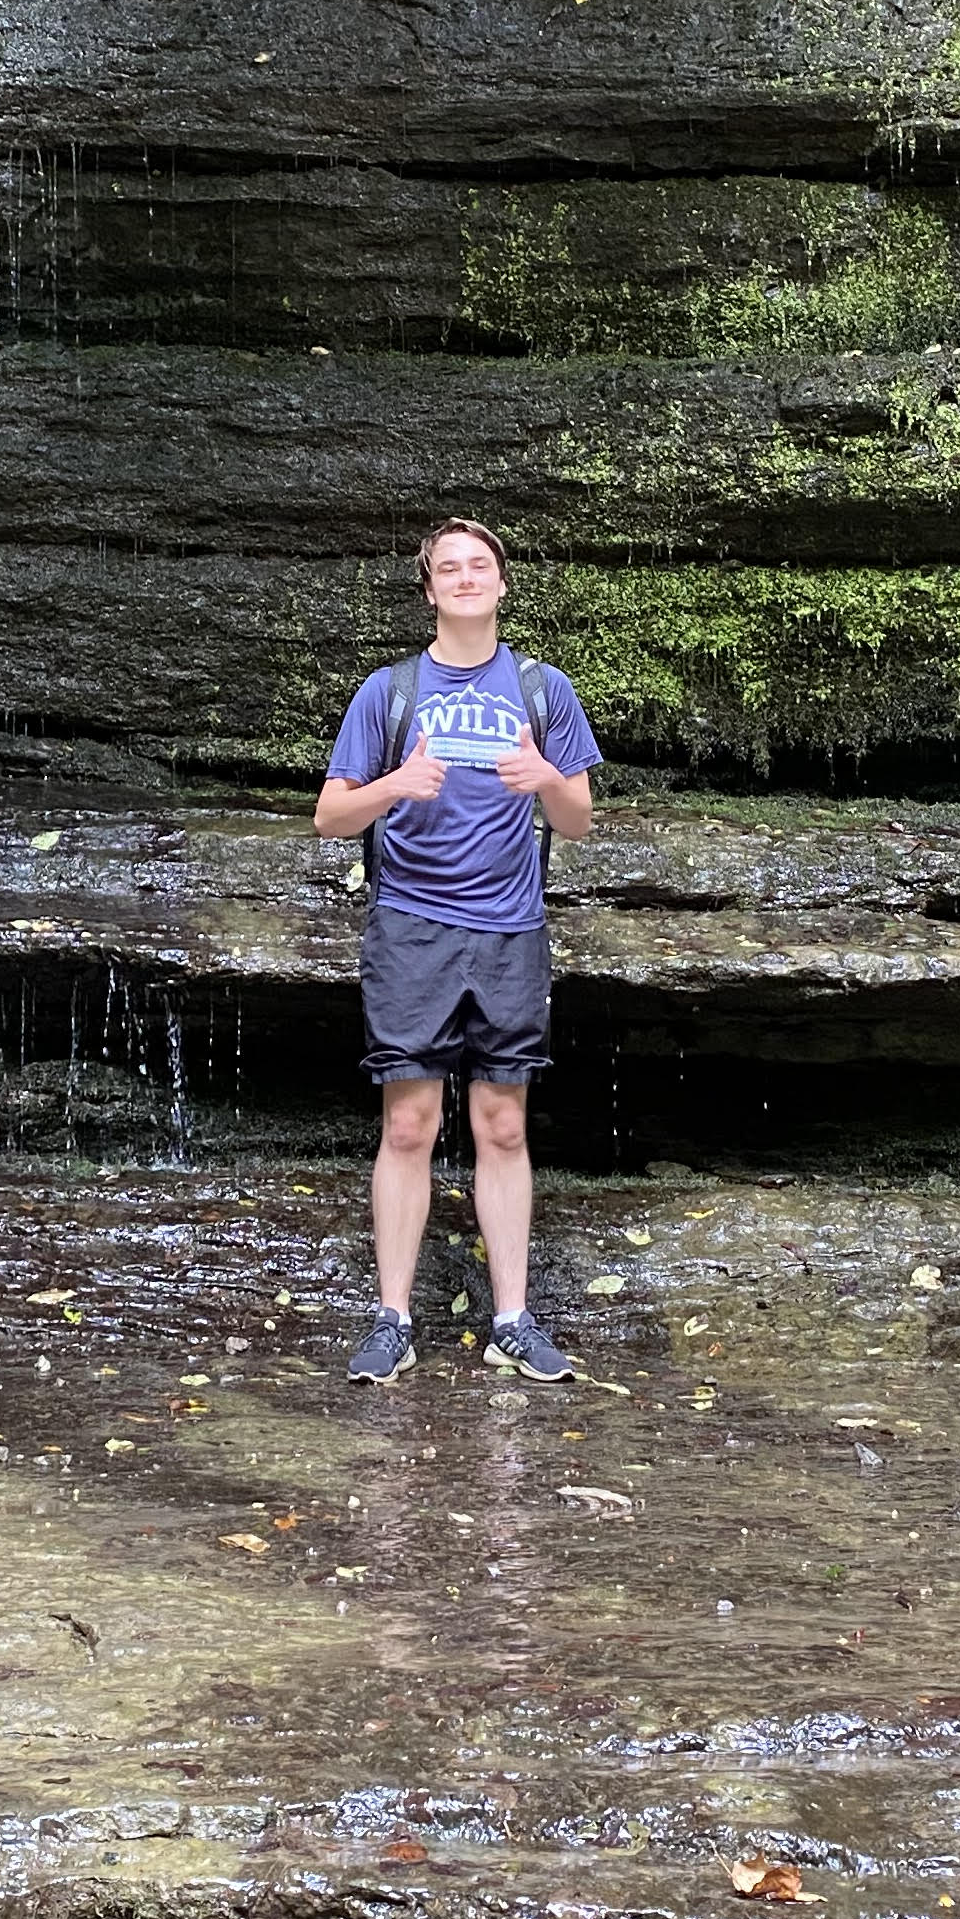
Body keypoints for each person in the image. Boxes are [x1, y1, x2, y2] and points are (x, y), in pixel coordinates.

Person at [313, 518, 602, 1383]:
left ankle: (512, 1317)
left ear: (502, 584)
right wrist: (395, 784)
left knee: (502, 1123)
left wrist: (546, 779)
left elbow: (580, 822)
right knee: (409, 1123)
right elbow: (331, 818)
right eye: (450, 568)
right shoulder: (389, 693)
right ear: (431, 590)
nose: (467, 578)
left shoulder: (544, 691)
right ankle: (392, 1318)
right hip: (410, 926)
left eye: (481, 566)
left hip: (509, 928)